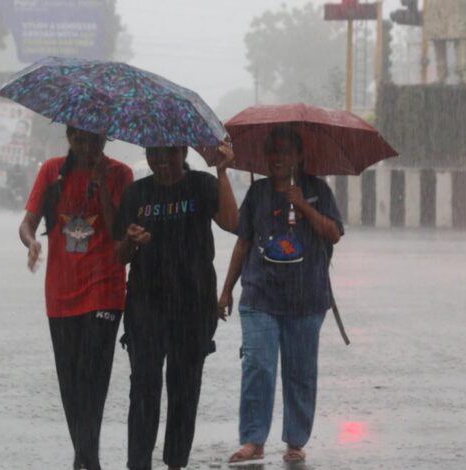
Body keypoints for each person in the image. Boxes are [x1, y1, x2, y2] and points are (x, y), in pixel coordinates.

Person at [217, 125, 343, 464]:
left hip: (307, 299)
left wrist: (304, 206)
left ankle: (295, 440)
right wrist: (227, 289)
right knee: (258, 366)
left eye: (285, 151)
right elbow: (243, 240)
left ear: (299, 156)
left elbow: (333, 234)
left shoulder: (317, 189)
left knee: (300, 372)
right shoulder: (257, 194)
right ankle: (253, 439)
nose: (277, 158)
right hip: (260, 297)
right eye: (272, 151)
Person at [113, 144, 238, 470]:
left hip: (194, 305)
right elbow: (119, 256)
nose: (162, 161)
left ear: (183, 151)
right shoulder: (136, 194)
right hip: (145, 306)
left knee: (184, 389)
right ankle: (138, 463)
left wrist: (223, 172)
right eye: (154, 154)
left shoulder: (202, 185)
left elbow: (232, 222)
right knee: (144, 387)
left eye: (169, 153)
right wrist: (130, 240)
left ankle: (175, 463)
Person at [19, 126, 133, 470]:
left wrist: (100, 187)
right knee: (70, 381)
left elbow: (118, 233)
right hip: (61, 292)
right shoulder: (51, 171)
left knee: (92, 375)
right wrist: (32, 242)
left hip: (105, 290)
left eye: (95, 140)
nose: (87, 147)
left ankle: (88, 460)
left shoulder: (120, 174)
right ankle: (85, 457)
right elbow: (27, 223)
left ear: (106, 140)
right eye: (80, 140)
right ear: (68, 136)